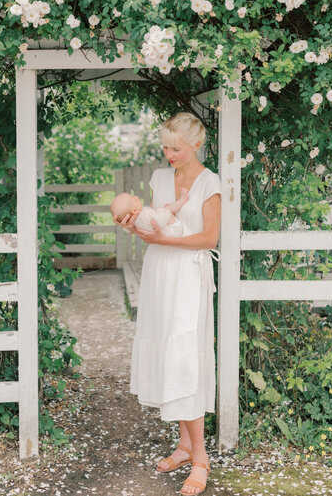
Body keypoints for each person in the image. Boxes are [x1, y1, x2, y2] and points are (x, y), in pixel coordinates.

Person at [113, 111, 221, 496]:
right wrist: (135, 224)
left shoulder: (210, 182)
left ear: (196, 144)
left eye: (175, 147)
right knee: (168, 357)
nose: (169, 154)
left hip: (188, 277)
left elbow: (209, 238)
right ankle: (184, 445)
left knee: (184, 359)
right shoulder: (160, 179)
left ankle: (202, 459)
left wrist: (162, 241)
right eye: (165, 147)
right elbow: (153, 226)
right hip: (160, 275)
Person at [109, 187, 189, 237]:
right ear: (134, 210)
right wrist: (165, 212)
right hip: (173, 230)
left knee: (164, 209)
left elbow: (128, 230)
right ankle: (183, 200)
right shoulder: (145, 216)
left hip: (167, 234)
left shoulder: (134, 222)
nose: (136, 197)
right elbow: (160, 222)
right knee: (166, 208)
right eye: (134, 199)